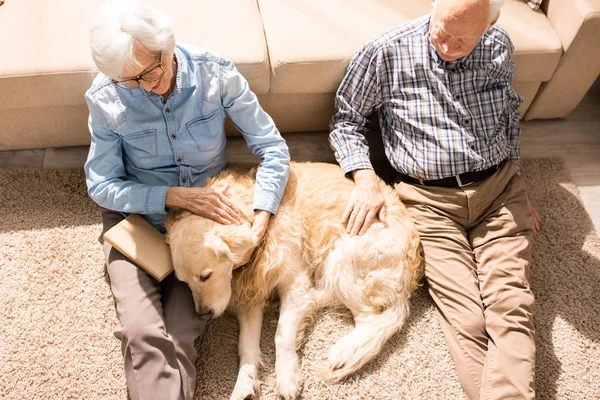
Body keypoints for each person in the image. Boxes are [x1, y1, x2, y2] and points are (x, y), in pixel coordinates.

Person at [329, 0, 541, 398]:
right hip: (427, 201)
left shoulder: (499, 44)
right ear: (435, 7)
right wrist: (365, 179)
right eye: (442, 31)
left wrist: (518, 183)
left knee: (511, 306)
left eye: (463, 40)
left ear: (489, 26)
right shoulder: (385, 51)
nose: (447, 46)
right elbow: (346, 121)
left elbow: (509, 117)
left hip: (499, 191)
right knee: (469, 318)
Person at [84, 1, 290, 399]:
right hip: (137, 220)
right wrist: (173, 195)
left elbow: (273, 148)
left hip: (198, 231)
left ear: (168, 46)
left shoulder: (215, 74)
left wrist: (260, 220)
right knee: (141, 333)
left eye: (150, 72)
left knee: (181, 334)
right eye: (130, 81)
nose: (144, 86)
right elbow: (102, 185)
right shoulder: (106, 97)